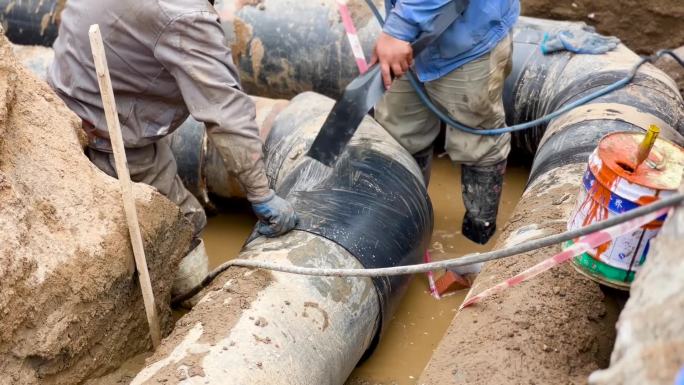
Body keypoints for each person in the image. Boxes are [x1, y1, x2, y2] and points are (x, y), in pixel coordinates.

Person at [47, 0, 298, 296]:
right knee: (180, 229)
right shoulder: (187, 16)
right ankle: (192, 301)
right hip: (108, 136)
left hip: (67, 100)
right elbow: (225, 112)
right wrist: (260, 192)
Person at [372, 0, 520, 244]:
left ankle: (477, 239)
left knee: (477, 143)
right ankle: (407, 230)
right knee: (399, 137)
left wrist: (399, 28)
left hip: (468, 39)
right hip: (408, 39)